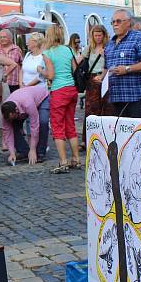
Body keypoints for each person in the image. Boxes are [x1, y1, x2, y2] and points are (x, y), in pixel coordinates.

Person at [41, 24, 80, 173]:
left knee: (57, 127)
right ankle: (76, 159)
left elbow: (51, 75)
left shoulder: (48, 52)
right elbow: (74, 70)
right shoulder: (68, 49)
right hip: (71, 89)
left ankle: (63, 161)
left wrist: (41, 71)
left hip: (58, 91)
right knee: (70, 124)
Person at [104, 9, 141, 118]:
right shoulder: (110, 44)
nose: (115, 24)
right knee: (121, 133)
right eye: (113, 22)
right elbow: (106, 67)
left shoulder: (140, 38)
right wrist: (101, 77)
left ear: (128, 22)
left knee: (139, 132)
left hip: (136, 96)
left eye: (118, 21)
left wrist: (127, 69)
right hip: (116, 97)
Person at [1, 84, 49, 165]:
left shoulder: (27, 104)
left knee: (43, 122)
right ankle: (25, 152)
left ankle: (40, 152)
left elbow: (34, 127)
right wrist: (12, 153)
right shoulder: (5, 113)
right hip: (24, 102)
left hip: (43, 98)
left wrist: (33, 149)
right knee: (13, 125)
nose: (11, 120)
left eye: (13, 117)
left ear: (16, 110)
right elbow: (8, 133)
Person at [80, 25, 112, 136]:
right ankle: (88, 137)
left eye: (100, 35)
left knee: (106, 108)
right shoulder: (89, 48)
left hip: (106, 78)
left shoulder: (109, 47)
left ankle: (104, 135)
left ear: (104, 35)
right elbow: (78, 60)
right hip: (92, 79)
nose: (98, 38)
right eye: (95, 35)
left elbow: (112, 63)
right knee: (91, 108)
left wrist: (105, 55)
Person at [0, 29, 23, 93]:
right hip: (1, 83)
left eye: (4, 37)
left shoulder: (16, 49)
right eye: (1, 37)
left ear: (10, 38)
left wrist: (21, 82)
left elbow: (22, 66)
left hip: (15, 83)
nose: (2, 39)